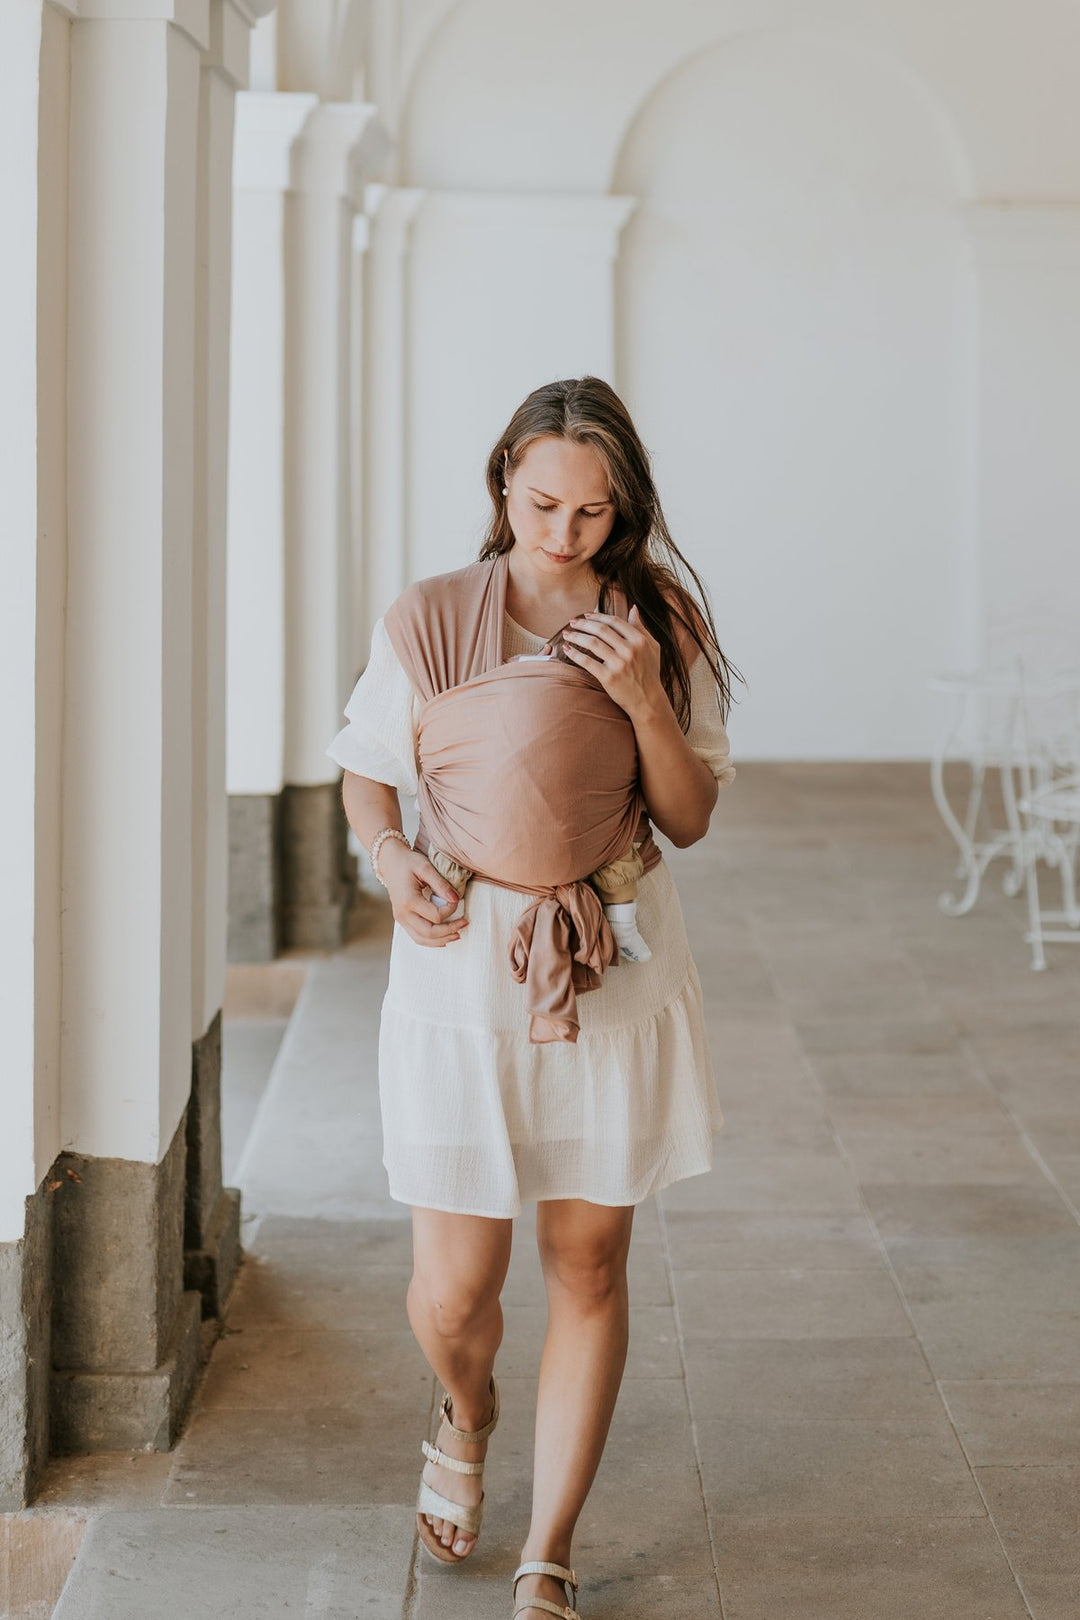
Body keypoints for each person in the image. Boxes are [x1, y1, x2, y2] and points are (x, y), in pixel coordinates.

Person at [326, 376, 739, 1620]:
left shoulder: (655, 619)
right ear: (503, 478)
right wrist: (393, 862)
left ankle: (546, 1548)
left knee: (590, 1261)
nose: (565, 535)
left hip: (608, 962)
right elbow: (366, 779)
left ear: (627, 514)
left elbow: (690, 815)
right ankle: (467, 1401)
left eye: (596, 515)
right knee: (454, 1296)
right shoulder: (433, 616)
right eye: (544, 503)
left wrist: (645, 701)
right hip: (461, 971)